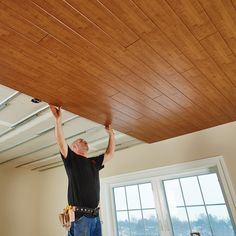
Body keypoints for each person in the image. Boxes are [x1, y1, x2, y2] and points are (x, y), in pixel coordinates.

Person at [50, 105, 115, 236]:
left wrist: (111, 134)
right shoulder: (72, 160)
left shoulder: (94, 162)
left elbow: (110, 153)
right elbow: (61, 142)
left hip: (95, 216)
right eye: (80, 140)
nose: (84, 140)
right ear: (74, 147)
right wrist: (57, 120)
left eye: (84, 140)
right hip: (81, 217)